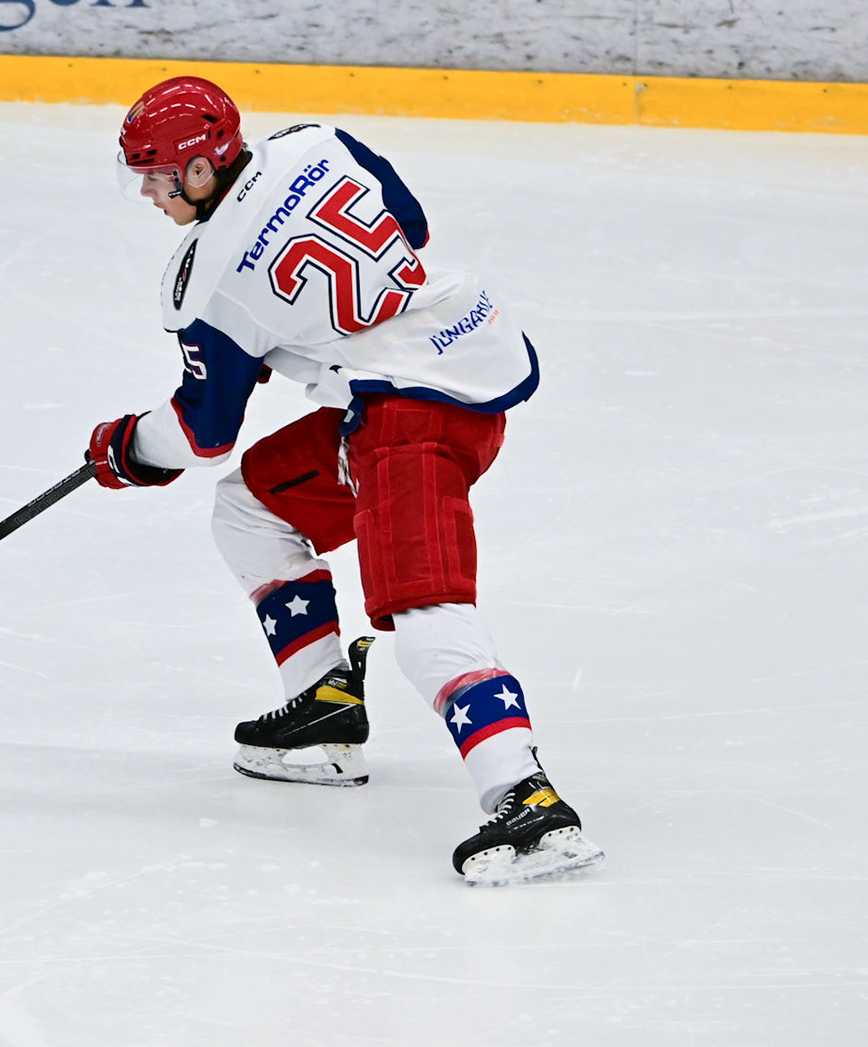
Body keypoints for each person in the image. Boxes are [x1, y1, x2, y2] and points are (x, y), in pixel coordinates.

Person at [86, 77, 602, 886]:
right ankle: (324, 708)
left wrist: (126, 448)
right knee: (253, 507)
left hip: (415, 418)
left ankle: (526, 800)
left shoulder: (205, 281)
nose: (148, 193)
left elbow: (200, 433)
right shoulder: (314, 142)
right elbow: (409, 226)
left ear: (200, 169)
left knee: (426, 606)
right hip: (464, 350)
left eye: (157, 177)